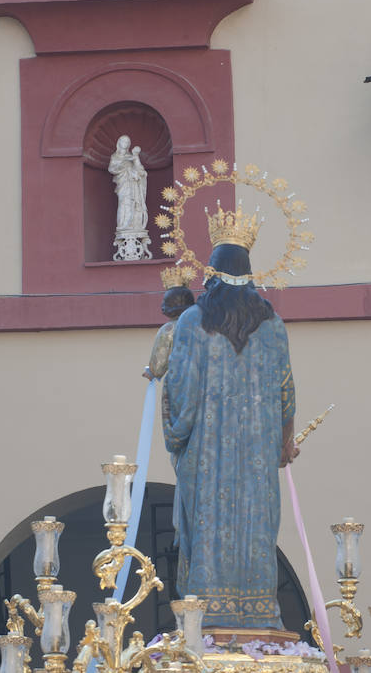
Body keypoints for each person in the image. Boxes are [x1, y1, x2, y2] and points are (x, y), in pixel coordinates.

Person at [162, 243, 298, 629]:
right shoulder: (273, 325)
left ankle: (204, 616)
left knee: (206, 526)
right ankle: (259, 614)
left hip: (208, 462)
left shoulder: (191, 321)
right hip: (257, 463)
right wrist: (283, 443)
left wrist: (175, 437)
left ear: (211, 274)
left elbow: (181, 394)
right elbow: (287, 391)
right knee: (257, 529)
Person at [108, 135, 148, 232]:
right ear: (119, 143)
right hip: (123, 183)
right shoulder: (115, 156)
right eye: (123, 141)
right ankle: (123, 225)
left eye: (127, 142)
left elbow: (140, 170)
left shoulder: (131, 156)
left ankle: (133, 225)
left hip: (133, 184)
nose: (125, 144)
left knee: (133, 203)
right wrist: (124, 165)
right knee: (123, 203)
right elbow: (111, 169)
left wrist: (136, 157)